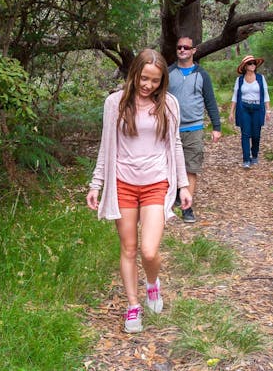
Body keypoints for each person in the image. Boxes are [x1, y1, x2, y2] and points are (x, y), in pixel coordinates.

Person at [87, 49, 192, 334]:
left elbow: (176, 145)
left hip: (156, 182)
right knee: (129, 248)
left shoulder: (168, 104)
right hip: (123, 183)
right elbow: (106, 146)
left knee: (149, 250)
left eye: (155, 81)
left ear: (162, 82)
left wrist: (183, 184)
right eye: (144, 78)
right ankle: (133, 305)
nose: (148, 85)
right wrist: (96, 183)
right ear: (134, 74)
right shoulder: (115, 103)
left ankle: (152, 284)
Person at [167, 36, 222, 223]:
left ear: (193, 51)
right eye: (179, 47)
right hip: (170, 129)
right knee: (171, 166)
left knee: (191, 167)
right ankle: (172, 198)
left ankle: (187, 208)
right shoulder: (168, 73)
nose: (182, 50)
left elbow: (210, 101)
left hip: (194, 127)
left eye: (186, 47)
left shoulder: (202, 75)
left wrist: (216, 126)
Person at [228, 54, 271, 169]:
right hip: (244, 108)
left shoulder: (261, 78)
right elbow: (235, 96)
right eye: (249, 63)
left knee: (256, 134)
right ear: (245, 66)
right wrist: (231, 112)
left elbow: (265, 95)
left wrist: (268, 110)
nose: (252, 65)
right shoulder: (240, 80)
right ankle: (246, 159)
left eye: (254, 63)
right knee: (245, 134)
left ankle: (255, 155)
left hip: (257, 108)